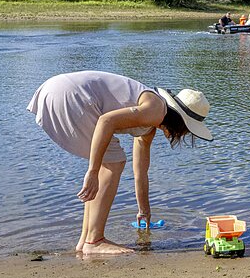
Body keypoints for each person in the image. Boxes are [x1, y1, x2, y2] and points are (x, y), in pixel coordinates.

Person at [28, 71, 214, 255]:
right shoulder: (156, 109)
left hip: (57, 90)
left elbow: (140, 172)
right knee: (114, 163)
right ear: (180, 121)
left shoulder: (149, 124)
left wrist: (144, 210)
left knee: (109, 163)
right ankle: (95, 241)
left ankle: (85, 241)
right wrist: (92, 172)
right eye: (186, 130)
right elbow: (106, 121)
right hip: (70, 97)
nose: (182, 135)